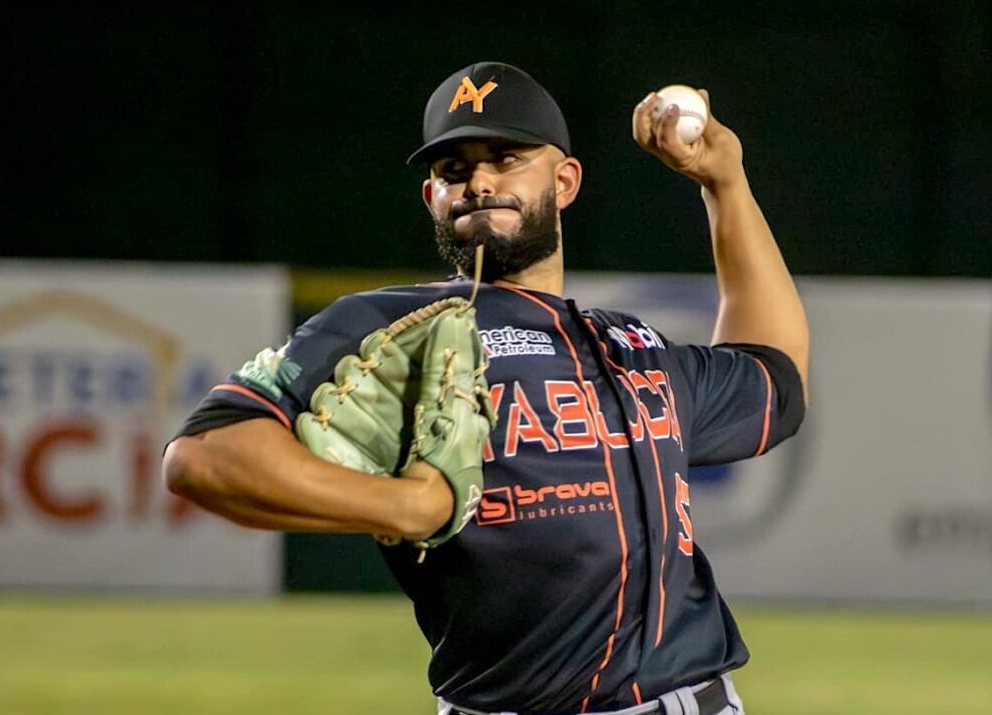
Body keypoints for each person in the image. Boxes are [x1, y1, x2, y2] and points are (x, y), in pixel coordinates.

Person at [163, 61, 808, 715]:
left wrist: (724, 181)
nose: (478, 181)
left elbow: (775, 380)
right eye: (452, 170)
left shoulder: (632, 346)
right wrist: (404, 506)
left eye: (505, 158)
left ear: (565, 181)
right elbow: (204, 456)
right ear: (431, 199)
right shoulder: (393, 330)